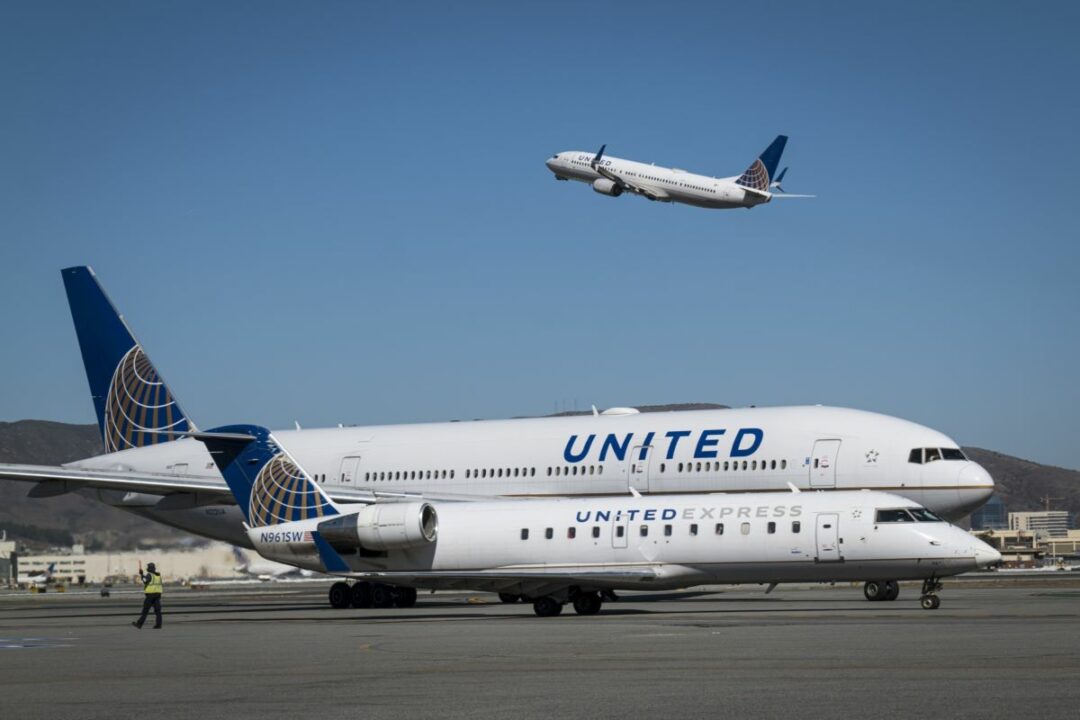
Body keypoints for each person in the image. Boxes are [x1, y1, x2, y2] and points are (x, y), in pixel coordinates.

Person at [132, 561, 163, 629]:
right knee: (158, 611)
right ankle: (158, 625)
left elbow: (145, 580)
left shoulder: (149, 575)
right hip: (157, 595)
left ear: (149, 568)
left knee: (145, 610)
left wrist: (142, 574)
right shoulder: (158, 575)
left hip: (150, 595)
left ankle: (139, 624)